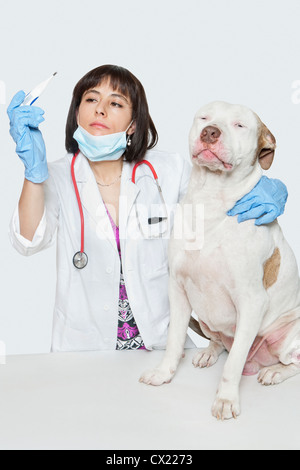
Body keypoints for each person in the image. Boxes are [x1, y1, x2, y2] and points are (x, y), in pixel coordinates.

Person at [7, 65, 288, 352]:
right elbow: (27, 241)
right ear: (77, 112)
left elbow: (218, 213)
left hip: (163, 345)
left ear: (132, 124)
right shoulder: (55, 176)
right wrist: (33, 174)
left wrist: (266, 185)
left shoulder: (169, 170)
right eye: (91, 99)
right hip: (83, 350)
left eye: (115, 103)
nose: (100, 109)